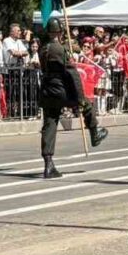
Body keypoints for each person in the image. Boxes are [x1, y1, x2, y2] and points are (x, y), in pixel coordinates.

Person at [38, 18, 108, 179]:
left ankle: (48, 164)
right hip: (61, 88)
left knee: (50, 123)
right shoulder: (60, 49)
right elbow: (72, 74)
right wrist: (80, 96)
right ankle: (95, 132)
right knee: (87, 104)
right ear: (60, 32)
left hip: (47, 89)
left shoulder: (42, 49)